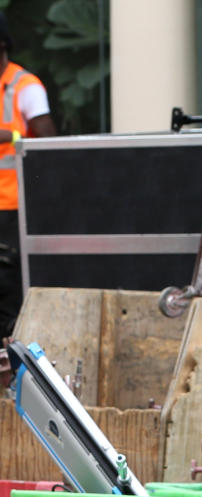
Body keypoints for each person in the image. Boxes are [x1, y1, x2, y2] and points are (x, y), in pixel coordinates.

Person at [0, 12, 56, 340]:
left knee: (8, 292)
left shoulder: (24, 85)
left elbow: (49, 141)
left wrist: (14, 138)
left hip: (11, 207)